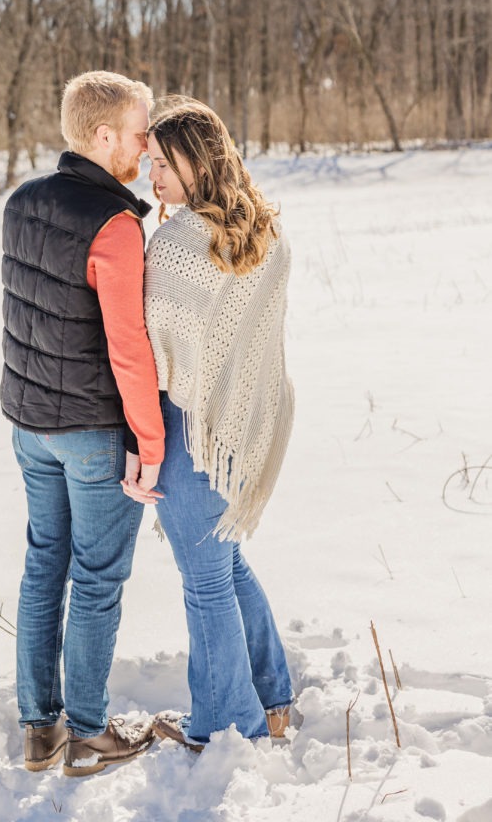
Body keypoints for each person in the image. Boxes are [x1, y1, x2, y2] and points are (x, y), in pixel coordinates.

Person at [1, 70, 164, 776]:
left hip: (29, 423)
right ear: (102, 136)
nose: (146, 144)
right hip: (93, 434)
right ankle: (91, 736)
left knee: (44, 568)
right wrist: (149, 442)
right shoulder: (114, 224)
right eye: (138, 132)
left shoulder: (23, 200)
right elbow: (128, 345)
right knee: (96, 580)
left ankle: (41, 730)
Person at [122, 99, 295, 750]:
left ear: (199, 160)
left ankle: (227, 728)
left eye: (164, 163)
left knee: (204, 583)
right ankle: (271, 699)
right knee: (225, 566)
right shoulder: (265, 230)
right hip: (238, 425)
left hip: (187, 427)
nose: (153, 176)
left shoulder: (174, 243)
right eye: (149, 162)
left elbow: (149, 348)